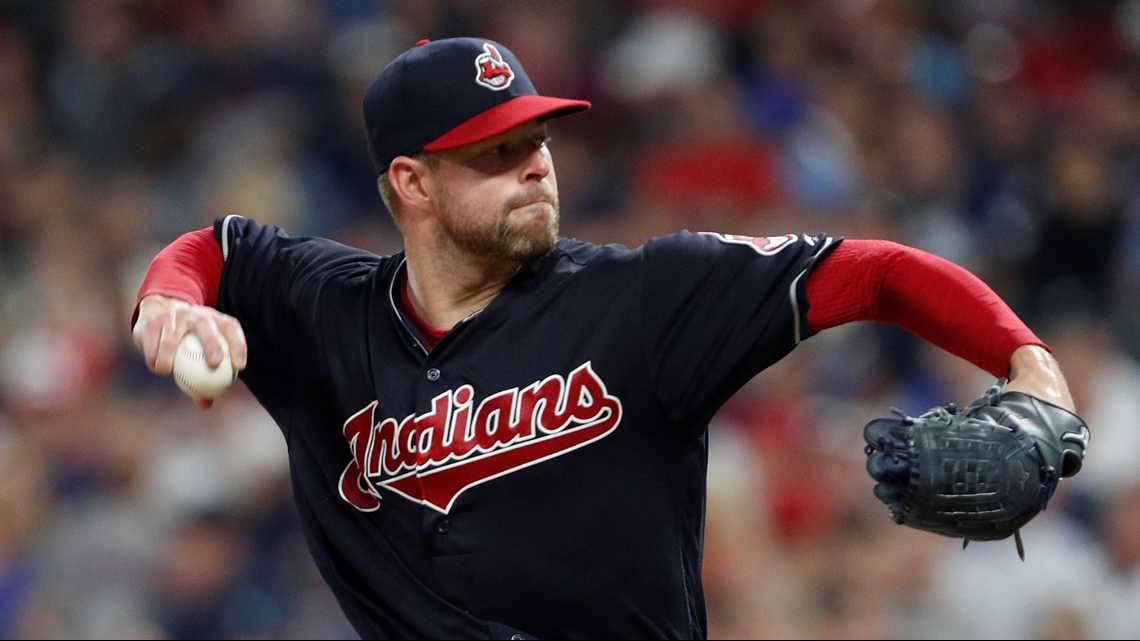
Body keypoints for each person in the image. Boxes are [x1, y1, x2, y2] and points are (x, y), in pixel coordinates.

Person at [131, 38, 1078, 640]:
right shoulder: (322, 311)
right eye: (495, 152)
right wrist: (170, 303)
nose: (535, 167)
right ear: (413, 183)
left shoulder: (645, 298)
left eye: (537, 138)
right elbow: (214, 247)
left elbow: (872, 270)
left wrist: (1029, 366)